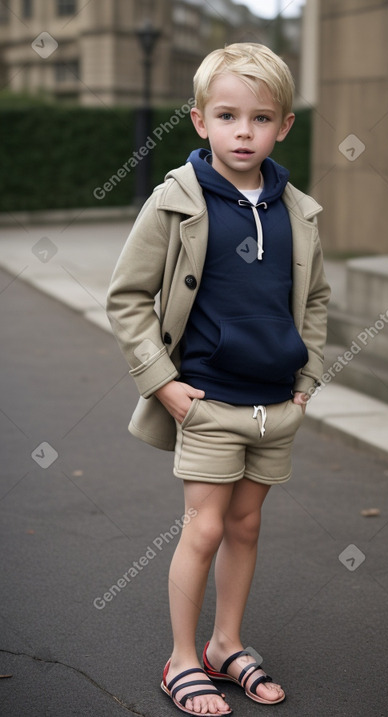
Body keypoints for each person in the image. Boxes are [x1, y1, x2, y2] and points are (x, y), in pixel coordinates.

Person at [106, 42, 330, 716]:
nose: (244, 131)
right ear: (200, 120)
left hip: (274, 403)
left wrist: (308, 378)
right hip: (205, 400)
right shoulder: (177, 200)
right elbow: (126, 296)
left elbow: (316, 300)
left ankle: (225, 643)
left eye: (260, 118)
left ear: (284, 125)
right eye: (227, 115)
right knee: (202, 528)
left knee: (247, 524)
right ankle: (181, 658)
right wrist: (162, 382)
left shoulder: (299, 211)